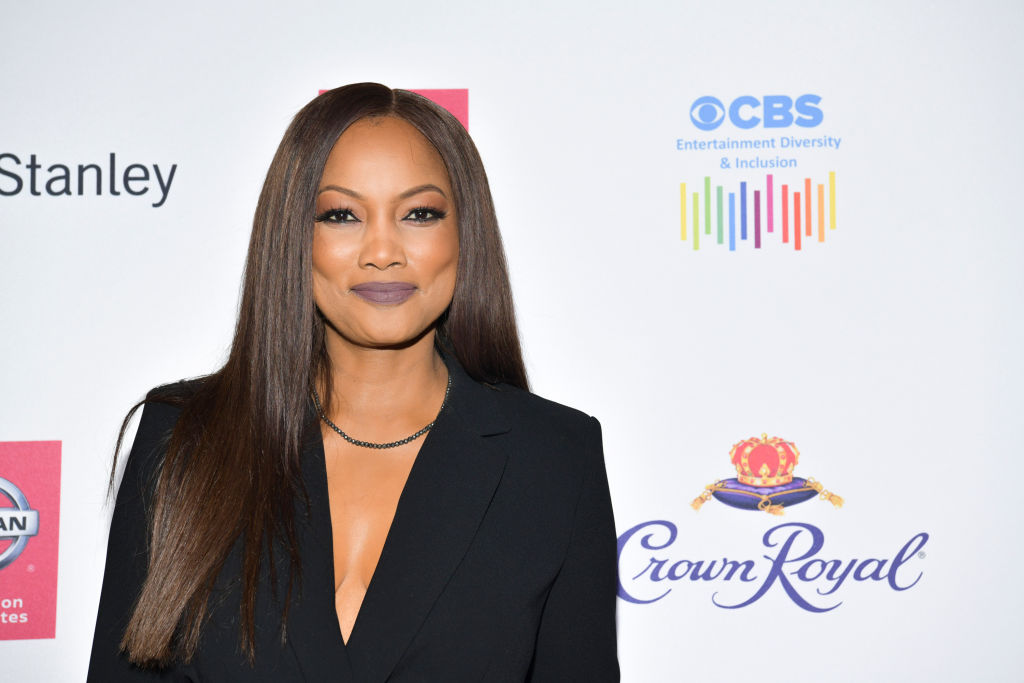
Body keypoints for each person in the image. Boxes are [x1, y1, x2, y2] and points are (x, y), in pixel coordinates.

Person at [88, 83, 619, 682]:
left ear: (464, 233)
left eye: (419, 214)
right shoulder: (184, 439)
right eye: (342, 215)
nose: (382, 251)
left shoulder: (554, 458)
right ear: (294, 236)